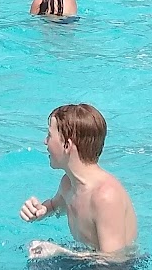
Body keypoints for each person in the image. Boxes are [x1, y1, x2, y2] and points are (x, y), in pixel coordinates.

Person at [18, 103, 138, 261]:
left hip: (118, 267)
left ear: (67, 145)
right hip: (89, 258)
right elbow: (55, 206)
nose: (45, 142)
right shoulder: (68, 183)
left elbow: (115, 262)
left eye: (49, 136)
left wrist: (62, 252)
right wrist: (41, 211)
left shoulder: (105, 196)